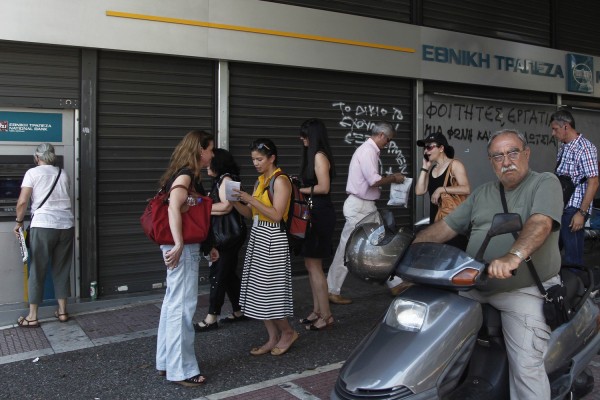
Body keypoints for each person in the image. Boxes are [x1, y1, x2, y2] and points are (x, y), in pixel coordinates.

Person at [414, 129, 563, 399]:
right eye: (498, 156)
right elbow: (446, 227)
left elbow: (540, 223)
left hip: (523, 290)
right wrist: (407, 250)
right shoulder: (482, 193)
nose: (506, 161)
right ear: (491, 162)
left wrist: (513, 256)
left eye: (513, 152)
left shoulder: (544, 182)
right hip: (475, 284)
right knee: (429, 338)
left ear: (526, 153)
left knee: (527, 368)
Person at [155, 130, 218, 387]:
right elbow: (174, 206)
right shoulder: (186, 175)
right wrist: (180, 242)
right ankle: (181, 370)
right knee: (181, 307)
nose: (212, 154)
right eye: (210, 149)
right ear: (200, 150)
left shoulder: (180, 173)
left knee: (172, 304)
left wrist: (206, 245)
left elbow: (183, 208)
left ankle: (166, 361)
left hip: (181, 246)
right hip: (183, 248)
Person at [327, 121, 407, 305]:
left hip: (365, 206)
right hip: (360, 206)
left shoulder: (368, 150)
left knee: (381, 243)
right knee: (347, 248)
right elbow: (373, 180)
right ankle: (332, 289)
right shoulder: (368, 151)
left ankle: (395, 283)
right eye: (388, 140)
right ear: (381, 135)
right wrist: (393, 178)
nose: (388, 144)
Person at [232, 138, 299, 356]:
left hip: (273, 238)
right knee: (258, 292)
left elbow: (277, 215)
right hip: (258, 235)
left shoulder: (281, 181)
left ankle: (288, 332)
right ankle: (272, 337)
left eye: (259, 159)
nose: (256, 163)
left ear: (272, 158)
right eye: (253, 159)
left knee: (270, 291)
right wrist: (235, 202)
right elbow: (251, 214)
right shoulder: (260, 181)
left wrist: (250, 199)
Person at [14, 143, 75, 328]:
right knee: (62, 268)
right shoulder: (63, 174)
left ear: (37, 157)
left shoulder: (32, 173)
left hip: (43, 225)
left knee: (37, 268)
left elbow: (22, 201)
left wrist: (19, 222)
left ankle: (32, 316)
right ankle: (62, 311)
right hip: (66, 225)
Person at [194, 148, 248, 332]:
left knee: (218, 273)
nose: (206, 164)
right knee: (228, 272)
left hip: (227, 235)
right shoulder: (224, 179)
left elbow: (227, 207)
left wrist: (200, 209)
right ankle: (240, 310)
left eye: (210, 161)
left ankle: (211, 318)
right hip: (230, 234)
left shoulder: (227, 180)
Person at [297, 119, 337, 330]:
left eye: (305, 135)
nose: (301, 138)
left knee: (315, 266)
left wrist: (298, 190)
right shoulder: (313, 155)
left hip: (319, 213)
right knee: (310, 265)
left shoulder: (319, 156)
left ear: (313, 136)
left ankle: (326, 315)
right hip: (314, 212)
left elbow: (324, 187)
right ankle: (317, 310)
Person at [550, 109, 599, 265]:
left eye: (555, 129)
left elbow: (594, 182)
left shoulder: (585, 148)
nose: (553, 133)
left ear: (566, 126)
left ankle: (577, 279)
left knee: (573, 256)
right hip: (562, 204)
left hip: (575, 208)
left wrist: (581, 213)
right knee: (554, 249)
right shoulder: (564, 147)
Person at [414, 132, 470, 249]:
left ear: (441, 148)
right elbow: (419, 191)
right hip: (436, 222)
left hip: (452, 224)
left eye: (429, 147)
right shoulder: (433, 169)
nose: (426, 151)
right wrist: (425, 167)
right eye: (425, 148)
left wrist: (441, 189)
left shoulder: (455, 164)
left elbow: (466, 188)